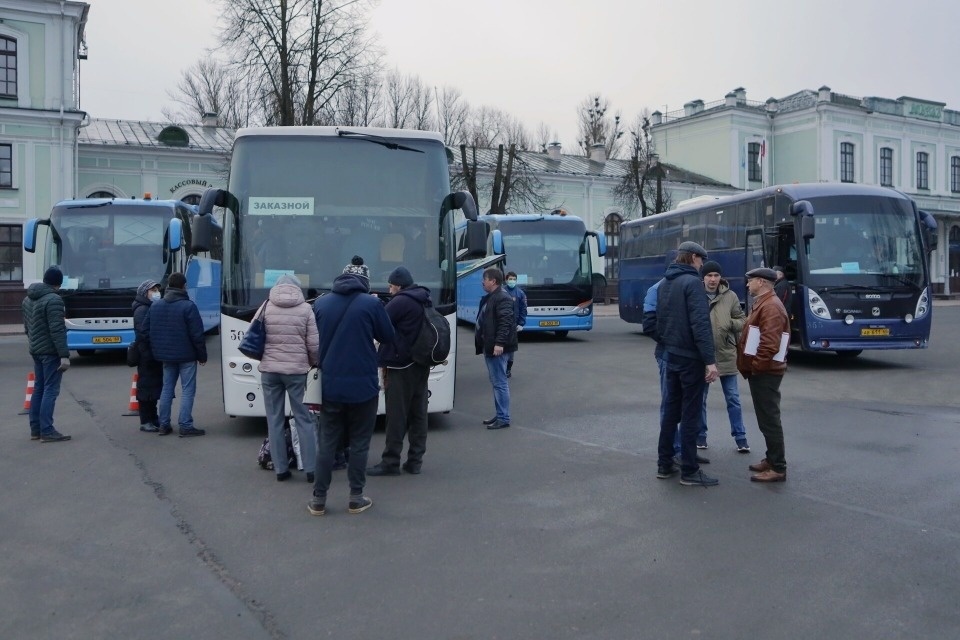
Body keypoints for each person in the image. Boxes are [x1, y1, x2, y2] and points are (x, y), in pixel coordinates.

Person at [308, 256, 395, 516]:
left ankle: (318, 500)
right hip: (363, 386)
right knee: (359, 442)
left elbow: (315, 339)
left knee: (327, 442)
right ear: (365, 282)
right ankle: (356, 497)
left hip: (330, 384)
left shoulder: (321, 303)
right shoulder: (372, 304)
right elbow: (388, 336)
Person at [654, 241, 719, 487]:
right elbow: (700, 325)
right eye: (701, 261)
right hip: (690, 359)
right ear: (693, 258)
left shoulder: (665, 283)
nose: (702, 266)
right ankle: (690, 471)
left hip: (670, 355)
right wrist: (710, 361)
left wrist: (666, 344)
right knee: (690, 415)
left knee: (671, 412)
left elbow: (657, 320)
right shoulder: (692, 283)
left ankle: (664, 463)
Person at [368, 266, 431, 476]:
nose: (390, 288)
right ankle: (415, 461)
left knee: (396, 415)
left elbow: (381, 324)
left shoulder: (401, 301)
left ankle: (390, 462)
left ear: (399, 285)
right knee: (418, 413)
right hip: (420, 363)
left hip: (400, 365)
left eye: (391, 285)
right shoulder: (421, 297)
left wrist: (377, 304)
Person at [259, 274, 320, 482]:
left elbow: (254, 336)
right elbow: (314, 345)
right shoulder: (306, 309)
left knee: (274, 420)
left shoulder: (266, 306)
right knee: (304, 419)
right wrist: (313, 363)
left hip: (269, 372)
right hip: (296, 372)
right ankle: (311, 469)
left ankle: (280, 470)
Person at [737, 267, 791, 482]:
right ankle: (771, 458)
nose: (748, 284)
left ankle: (778, 467)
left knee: (769, 419)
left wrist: (757, 367)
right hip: (762, 371)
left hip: (766, 372)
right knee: (765, 418)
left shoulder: (770, 306)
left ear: (761, 282)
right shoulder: (765, 302)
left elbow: (769, 344)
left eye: (750, 281)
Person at [145, 271, 208, 437]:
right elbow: (197, 334)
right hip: (186, 355)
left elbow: (145, 330)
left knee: (166, 388)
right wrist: (202, 355)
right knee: (187, 390)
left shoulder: (156, 306)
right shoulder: (188, 306)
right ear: (183, 286)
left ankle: (164, 424)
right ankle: (185, 425)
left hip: (165, 356)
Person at [699, 261, 749, 453]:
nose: (712, 279)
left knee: (733, 398)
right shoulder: (696, 294)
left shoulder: (731, 296)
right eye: (709, 275)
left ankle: (741, 437)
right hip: (703, 356)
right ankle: (700, 436)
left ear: (720, 277)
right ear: (703, 277)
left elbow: (742, 320)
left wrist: (730, 323)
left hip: (726, 354)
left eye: (716, 275)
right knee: (700, 399)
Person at [22, 266, 72, 442]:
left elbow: (27, 327)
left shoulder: (27, 298)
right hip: (50, 352)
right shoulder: (54, 300)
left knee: (39, 388)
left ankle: (35, 429)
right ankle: (47, 430)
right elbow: (57, 330)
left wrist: (34, 344)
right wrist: (64, 354)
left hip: (36, 349)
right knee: (50, 390)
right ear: (57, 283)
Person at [476, 267, 518, 430]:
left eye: (484, 279)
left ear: (493, 281)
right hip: (490, 346)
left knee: (500, 383)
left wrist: (499, 344)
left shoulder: (502, 298)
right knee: (496, 382)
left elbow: (506, 322)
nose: (482, 282)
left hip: (497, 348)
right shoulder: (493, 297)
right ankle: (500, 414)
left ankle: (503, 417)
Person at [132, 279, 163, 432]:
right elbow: (143, 333)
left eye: (157, 290)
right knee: (146, 388)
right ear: (145, 293)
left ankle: (153, 418)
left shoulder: (149, 307)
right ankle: (146, 421)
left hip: (151, 353)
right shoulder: (142, 309)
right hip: (146, 354)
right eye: (153, 290)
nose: (157, 293)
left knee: (153, 387)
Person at [504, 271, 527, 378]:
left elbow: (523, 309)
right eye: (510, 279)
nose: (512, 281)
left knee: (511, 348)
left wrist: (521, 323)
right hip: (502, 324)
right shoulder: (502, 291)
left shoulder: (520, 293)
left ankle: (508, 369)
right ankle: (501, 367)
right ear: (506, 280)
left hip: (513, 325)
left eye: (514, 279)